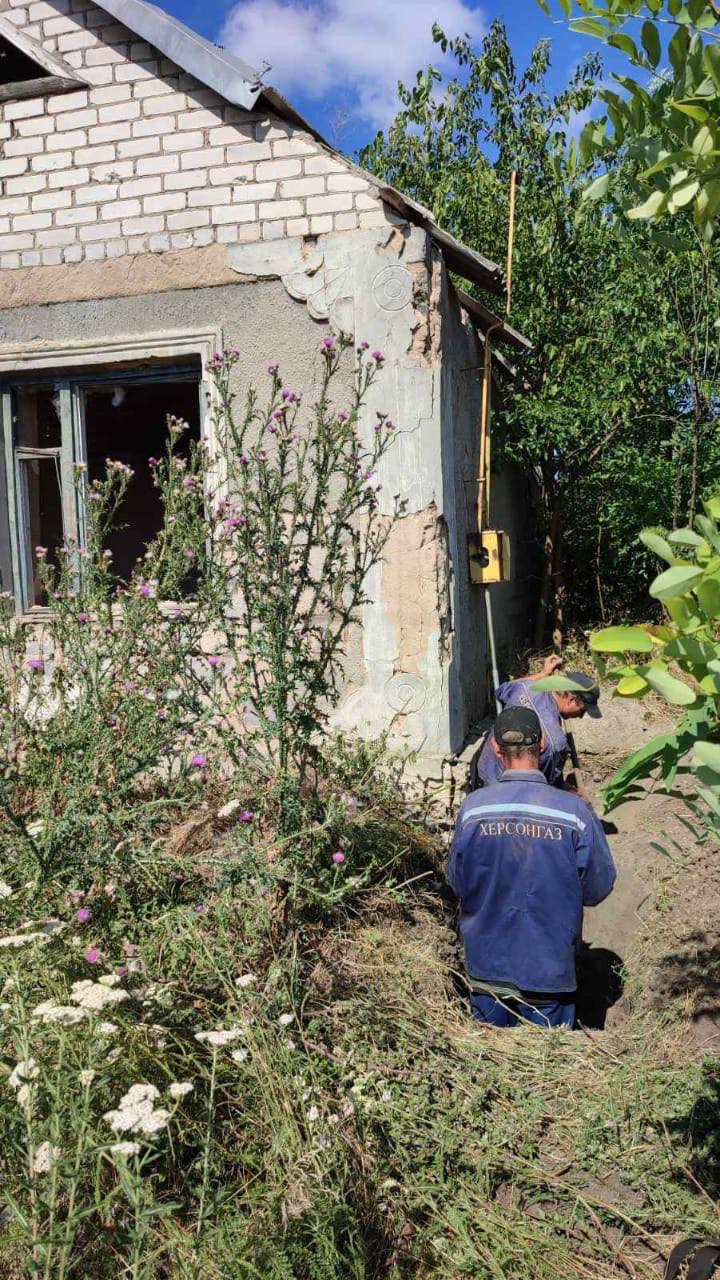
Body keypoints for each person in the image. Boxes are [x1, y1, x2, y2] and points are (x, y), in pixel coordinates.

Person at [448, 705, 616, 1029]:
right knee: (547, 1073)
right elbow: (598, 887)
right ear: (541, 745)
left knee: (488, 1066)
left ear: (496, 749)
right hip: (549, 974)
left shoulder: (472, 810)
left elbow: (457, 881)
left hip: (486, 971)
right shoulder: (574, 813)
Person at [471, 654, 602, 791]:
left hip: (485, 769)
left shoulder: (527, 687)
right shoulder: (555, 742)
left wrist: (543, 674)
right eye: (583, 710)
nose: (581, 716)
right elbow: (548, 790)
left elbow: (503, 690)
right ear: (572, 700)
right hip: (512, 794)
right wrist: (570, 794)